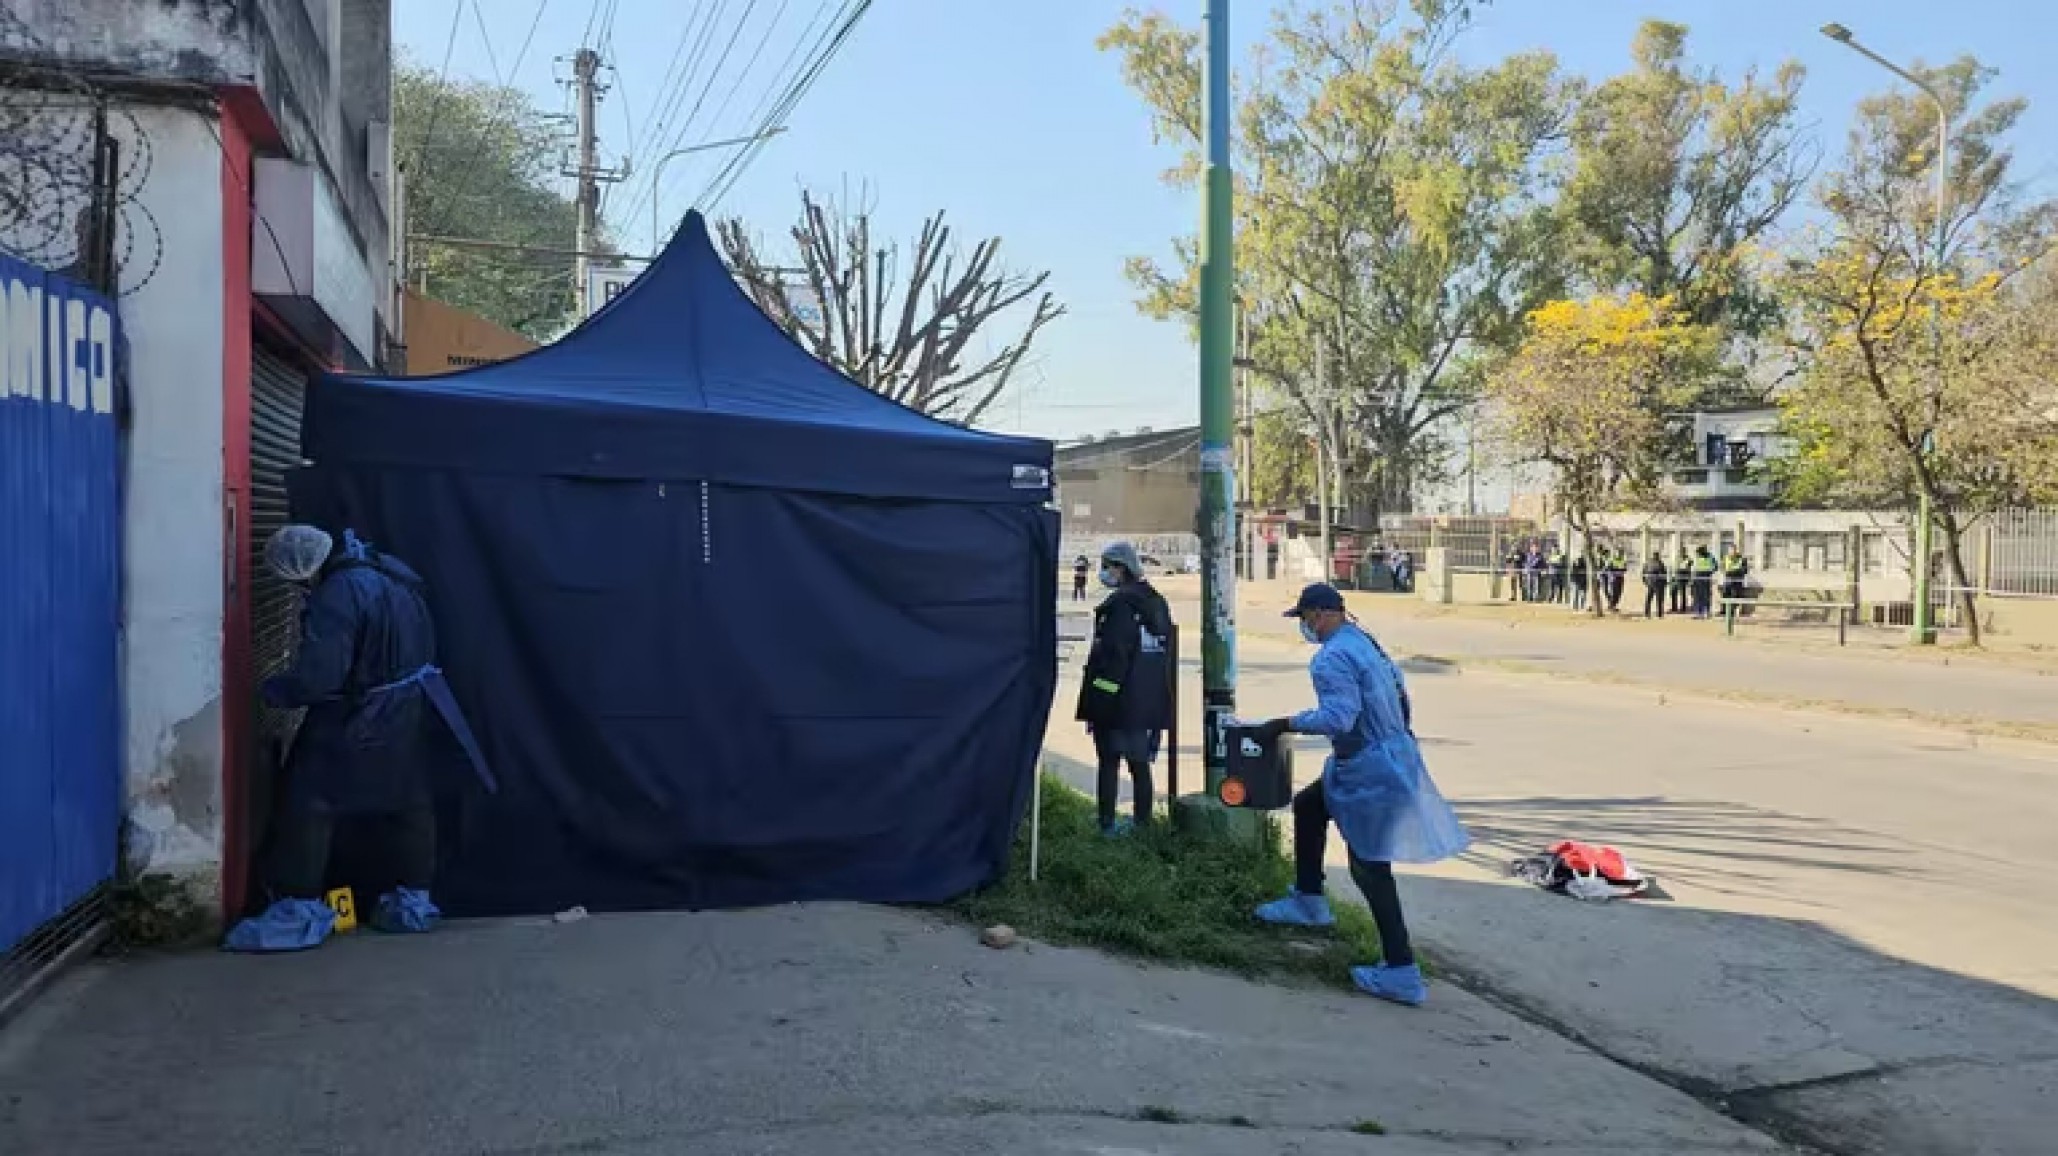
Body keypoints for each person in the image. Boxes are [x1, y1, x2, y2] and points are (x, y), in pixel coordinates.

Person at [223, 526, 494, 953]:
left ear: (300, 570)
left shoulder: (338, 595)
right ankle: (412, 902)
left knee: (310, 804)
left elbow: (320, 675)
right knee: (408, 804)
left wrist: (273, 690)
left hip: (361, 717)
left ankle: (298, 909)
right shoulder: (392, 574)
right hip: (408, 709)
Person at [1249, 583, 1470, 1007]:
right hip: (1387, 753)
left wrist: (1281, 723)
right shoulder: (1365, 642)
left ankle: (1401, 970)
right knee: (1310, 807)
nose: (1306, 626)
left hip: (1371, 768)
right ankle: (1309, 900)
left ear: (1325, 613)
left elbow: (1338, 717)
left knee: (1369, 866)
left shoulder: (1331, 657)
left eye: (1307, 617)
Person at [1076, 541, 1174, 835]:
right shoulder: (1156, 602)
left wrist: (1097, 703)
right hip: (1147, 701)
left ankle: (1106, 823)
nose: (1103, 573)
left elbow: (1113, 657)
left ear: (1121, 568)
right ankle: (1142, 826)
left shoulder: (1119, 606)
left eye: (1107, 567)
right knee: (1139, 764)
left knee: (1108, 762)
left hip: (1116, 701)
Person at [1690, 545, 1718, 619]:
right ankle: (1698, 613)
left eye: (1698, 553)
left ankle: (1707, 612)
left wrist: (1710, 572)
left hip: (1706, 577)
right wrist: (1692, 579)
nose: (1697, 554)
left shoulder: (1710, 557)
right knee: (1697, 596)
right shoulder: (1696, 557)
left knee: (1706, 596)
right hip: (1697, 577)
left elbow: (1716, 566)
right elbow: (1693, 567)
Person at [1642, 552, 1669, 619]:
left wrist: (1664, 583)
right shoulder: (1650, 563)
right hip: (1652, 584)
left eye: (1657, 556)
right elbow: (1644, 573)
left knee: (1658, 599)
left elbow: (1664, 574)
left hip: (1657, 584)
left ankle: (1658, 614)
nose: (1656, 557)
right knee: (1650, 599)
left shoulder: (1660, 563)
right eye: (1655, 555)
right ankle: (1647, 614)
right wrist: (1646, 582)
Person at [1670, 549, 1693, 615]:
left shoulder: (1688, 560)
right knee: (1673, 593)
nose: (1681, 554)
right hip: (1675, 578)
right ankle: (1674, 608)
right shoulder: (1677, 558)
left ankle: (1683, 608)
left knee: (1682, 594)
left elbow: (1688, 569)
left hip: (1682, 578)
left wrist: (1689, 578)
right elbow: (1673, 567)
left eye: (1682, 552)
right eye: (1680, 552)